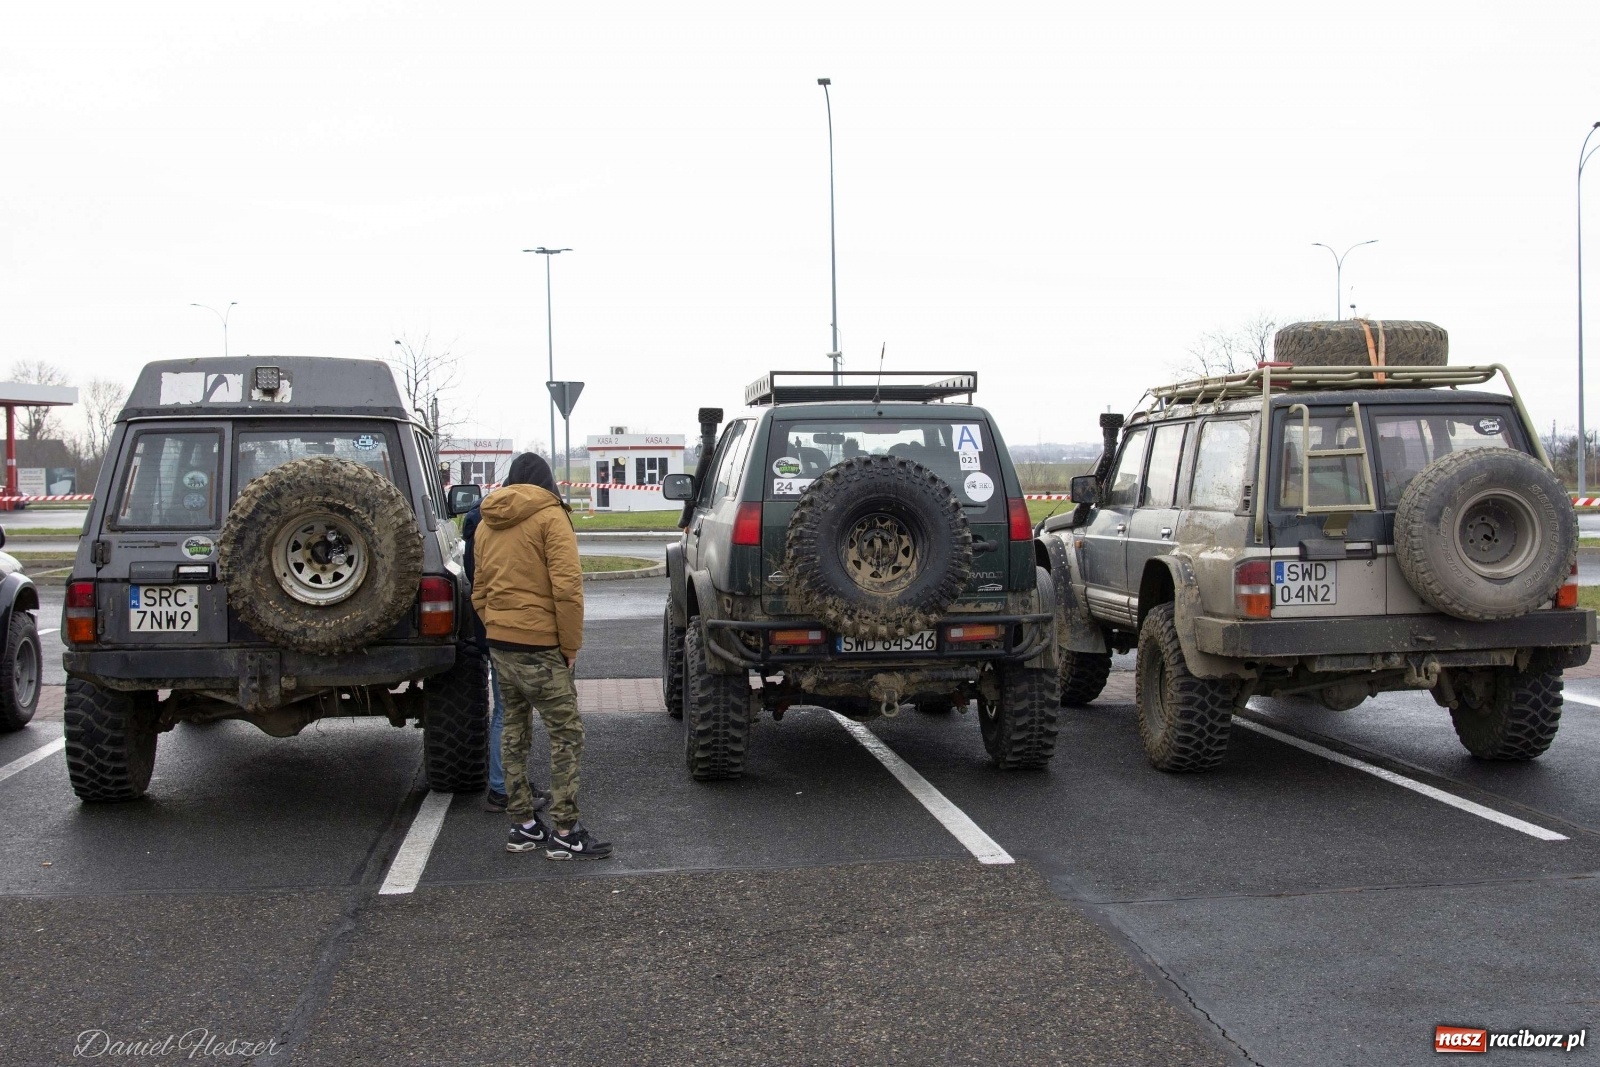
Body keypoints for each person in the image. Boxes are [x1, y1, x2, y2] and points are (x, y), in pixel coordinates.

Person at [470, 453, 611, 860]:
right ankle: (566, 830)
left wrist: (496, 624)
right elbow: (567, 588)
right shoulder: (552, 517)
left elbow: (478, 590)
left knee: (513, 731)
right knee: (566, 733)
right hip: (542, 645)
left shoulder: (486, 523)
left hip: (501, 642)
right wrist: (569, 646)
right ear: (548, 482)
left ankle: (523, 826)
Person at [462, 494, 548, 816]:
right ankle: (503, 788)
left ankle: (511, 784)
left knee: (509, 711)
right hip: (512, 632)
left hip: (493, 630)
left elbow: (477, 584)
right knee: (509, 712)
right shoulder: (505, 523)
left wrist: (489, 622)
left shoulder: (480, 522)